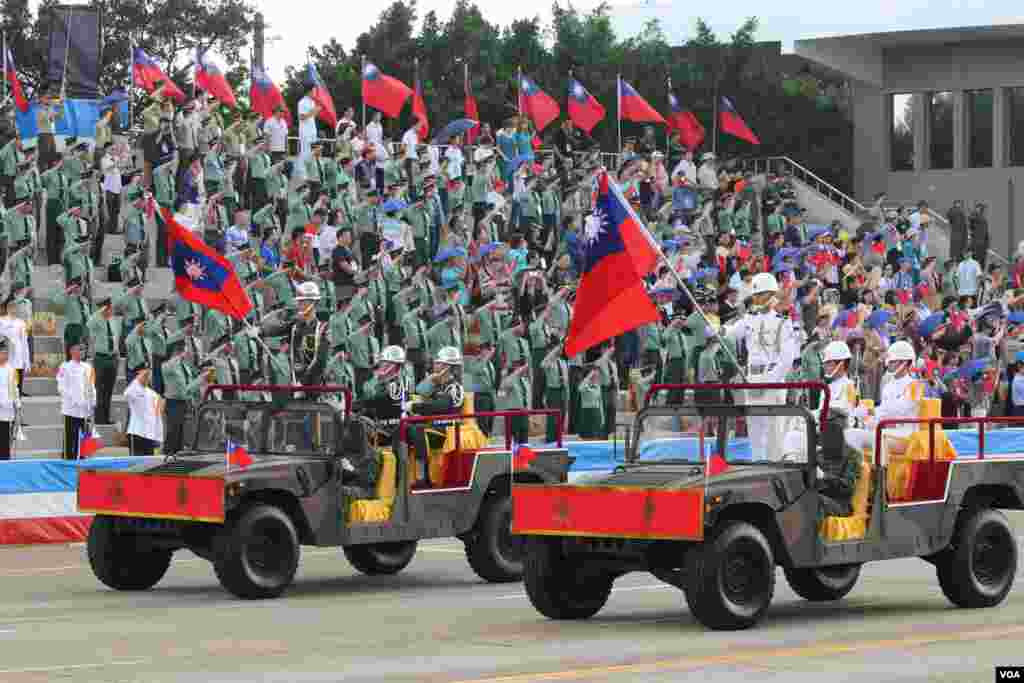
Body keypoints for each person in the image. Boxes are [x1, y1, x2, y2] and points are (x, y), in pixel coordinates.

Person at [727, 272, 799, 461]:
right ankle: (757, 463)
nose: (756, 299)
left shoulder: (782, 322)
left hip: (772, 380)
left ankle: (774, 466)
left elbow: (787, 359)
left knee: (774, 429)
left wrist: (769, 381)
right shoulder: (749, 319)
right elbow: (732, 333)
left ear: (771, 295)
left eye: (760, 295)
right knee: (755, 428)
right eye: (755, 295)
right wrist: (717, 330)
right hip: (752, 379)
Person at [846, 341, 923, 452]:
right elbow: (882, 415)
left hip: (906, 436)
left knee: (866, 437)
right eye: (889, 361)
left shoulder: (914, 385)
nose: (888, 364)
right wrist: (866, 420)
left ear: (905, 362)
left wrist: (870, 411)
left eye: (893, 361)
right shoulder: (888, 386)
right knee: (850, 434)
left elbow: (898, 410)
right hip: (887, 432)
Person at [408, 346, 465, 488]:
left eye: (439, 363)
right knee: (406, 428)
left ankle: (423, 476)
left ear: (447, 367)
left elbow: (440, 406)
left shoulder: (454, 387)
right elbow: (419, 392)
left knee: (417, 429)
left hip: (449, 427)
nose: (434, 364)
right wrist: (430, 380)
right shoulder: (437, 385)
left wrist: (415, 407)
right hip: (435, 424)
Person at [56, 340, 95, 460]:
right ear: (72, 351)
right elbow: (61, 387)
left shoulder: (88, 367)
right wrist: (74, 400)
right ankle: (68, 461)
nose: (82, 352)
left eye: (84, 349)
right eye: (79, 349)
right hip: (71, 409)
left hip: (85, 409)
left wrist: (92, 402)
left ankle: (83, 461)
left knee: (85, 439)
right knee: (70, 439)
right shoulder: (65, 367)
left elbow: (91, 386)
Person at [86, 296, 119, 425]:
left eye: (111, 308)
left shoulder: (113, 320)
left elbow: (114, 337)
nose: (111, 311)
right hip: (101, 358)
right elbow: (88, 324)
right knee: (99, 389)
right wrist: (99, 312)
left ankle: (106, 417)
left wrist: (116, 353)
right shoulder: (96, 320)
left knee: (109, 390)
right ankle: (99, 418)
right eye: (109, 308)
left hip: (112, 358)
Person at [124, 365, 163, 456]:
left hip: (150, 435)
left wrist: (158, 437)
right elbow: (127, 394)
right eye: (144, 374)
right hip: (136, 433)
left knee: (148, 463)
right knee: (135, 462)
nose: (146, 377)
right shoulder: (134, 389)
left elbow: (157, 417)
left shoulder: (153, 394)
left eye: (148, 375)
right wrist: (138, 379)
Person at [0, 339, 19, 460]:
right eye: (2, 353)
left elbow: (14, 388)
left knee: (6, 439)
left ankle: (5, 461)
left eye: (6, 353)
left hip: (7, 409)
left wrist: (17, 403)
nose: (5, 355)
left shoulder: (11, 369)